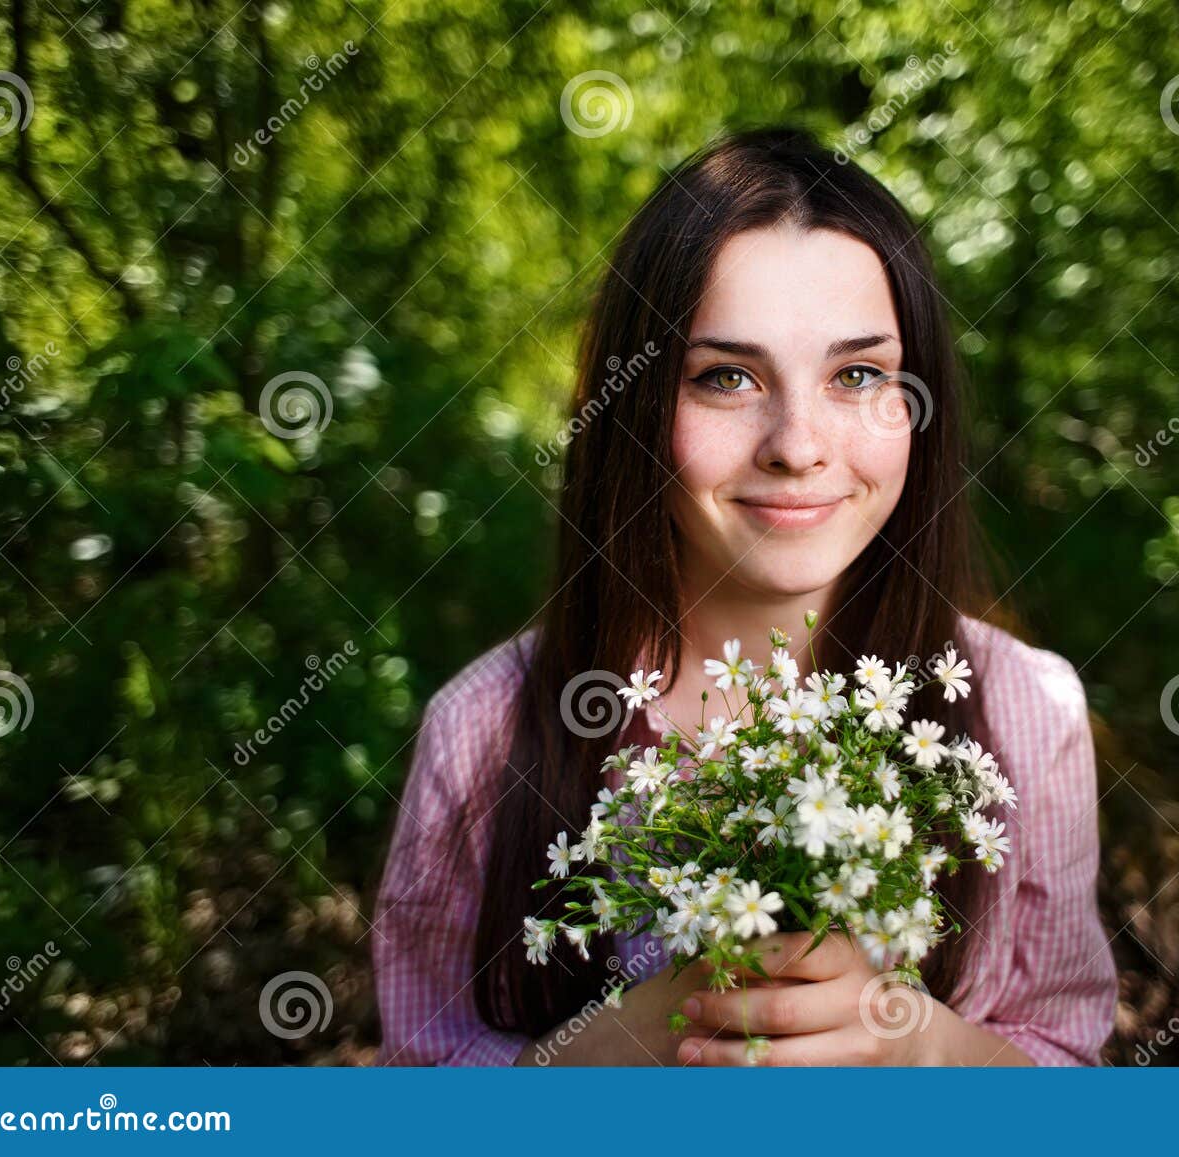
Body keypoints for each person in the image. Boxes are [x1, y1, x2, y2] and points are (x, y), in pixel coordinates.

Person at [372, 127, 1116, 1066]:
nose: (796, 444)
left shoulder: (1027, 712)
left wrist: (920, 1042)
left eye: (857, 375)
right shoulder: (482, 735)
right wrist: (593, 1060)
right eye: (727, 376)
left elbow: (1068, 1066)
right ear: (635, 406)